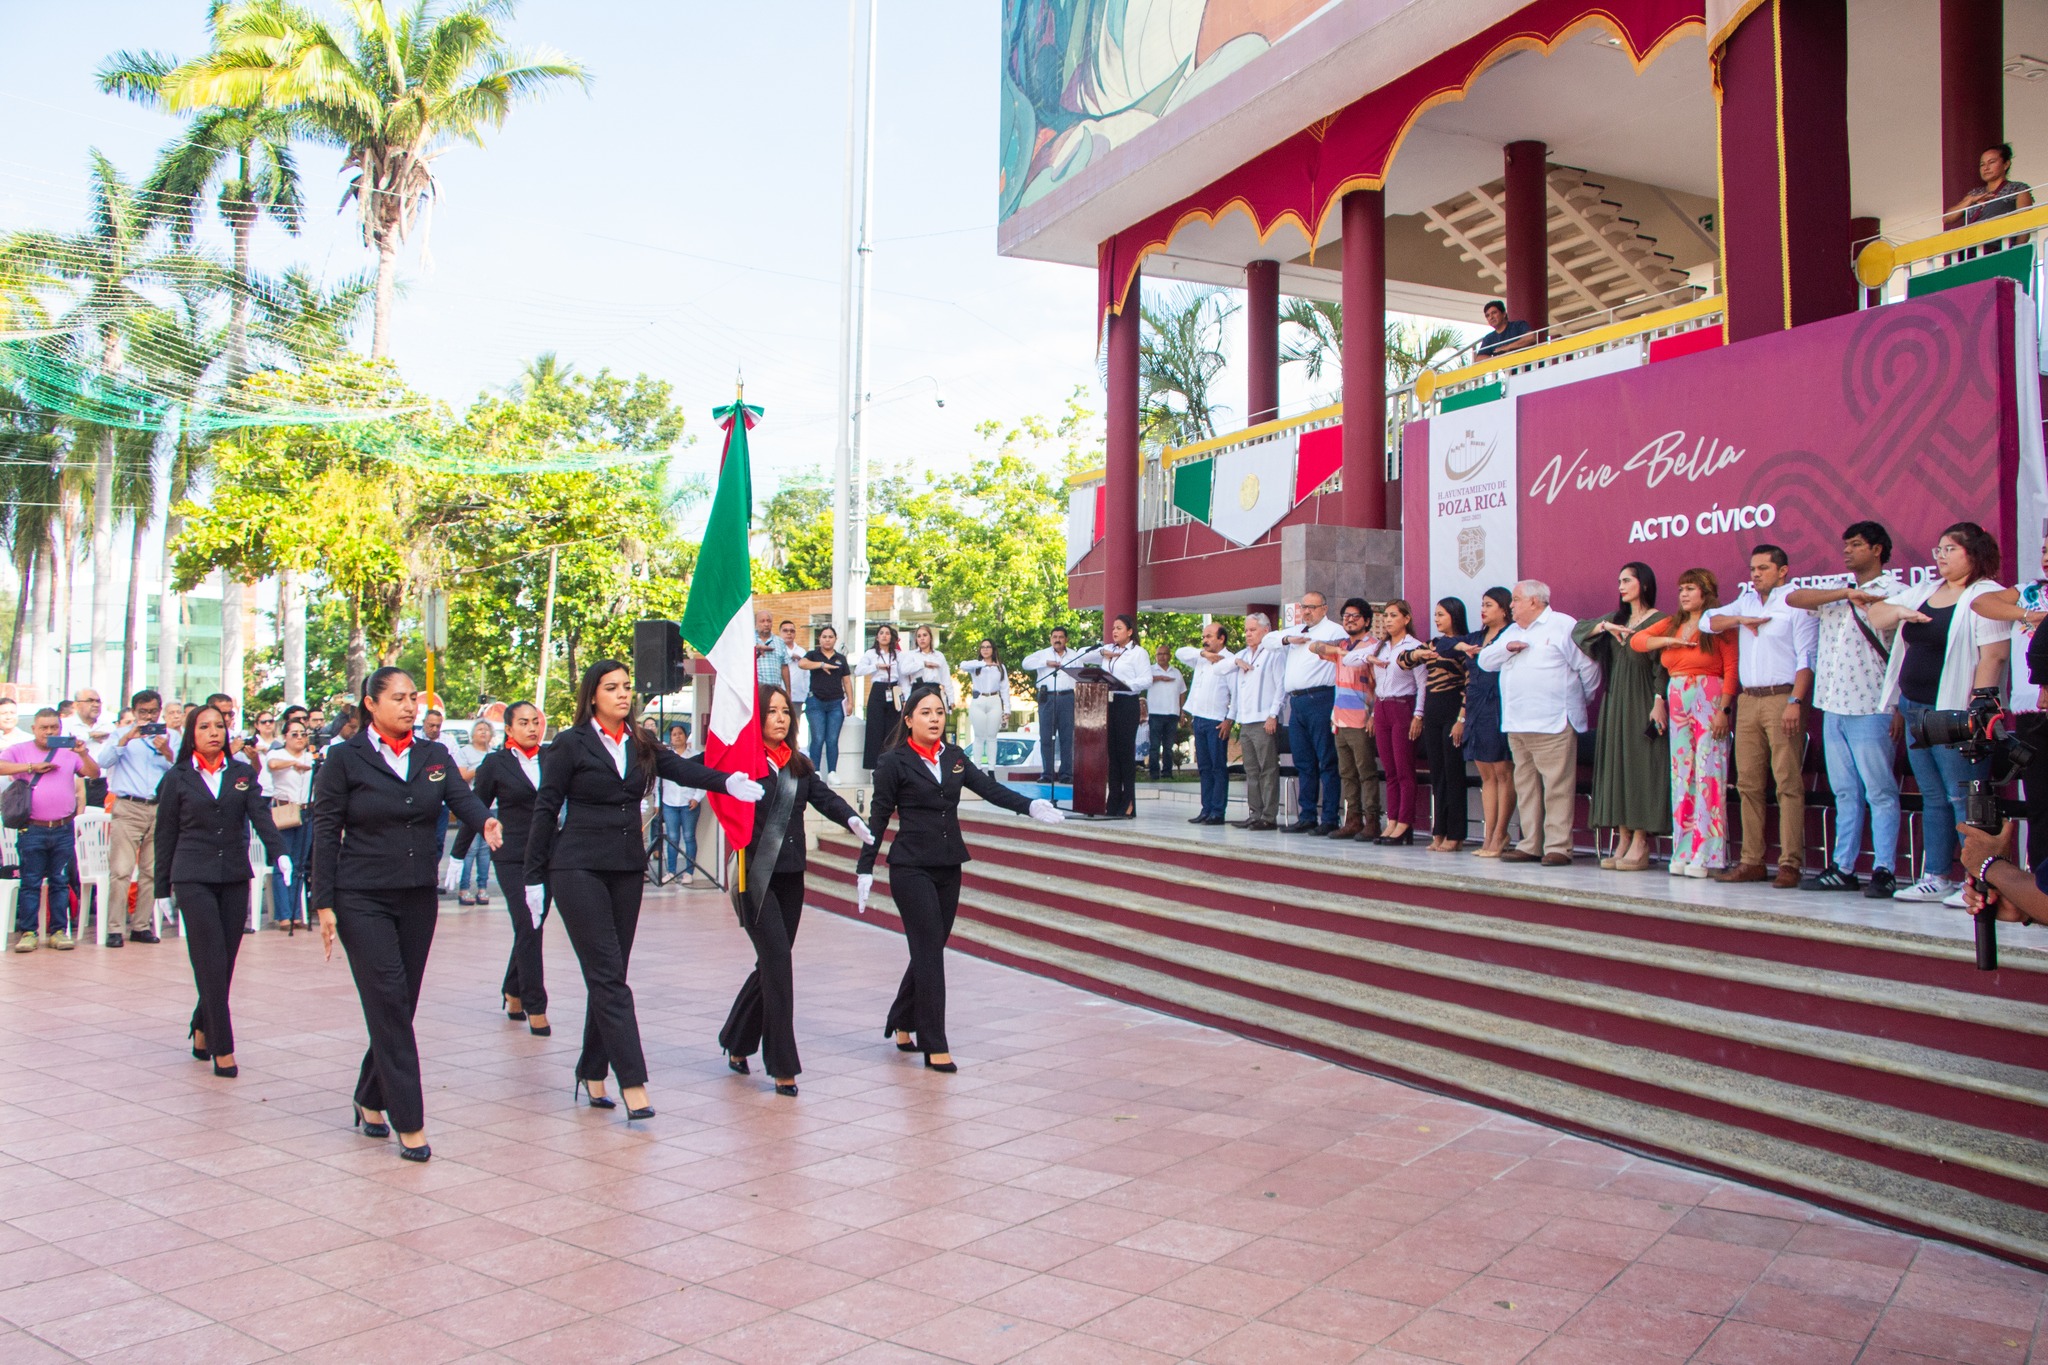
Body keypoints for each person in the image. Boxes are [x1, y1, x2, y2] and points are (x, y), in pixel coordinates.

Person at [526, 660, 763, 1121]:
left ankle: (591, 1071)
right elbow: (545, 808)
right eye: (611, 687)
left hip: (625, 867)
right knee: (608, 976)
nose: (622, 694)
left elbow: (682, 770)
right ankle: (633, 1082)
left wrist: (727, 782)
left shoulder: (640, 743)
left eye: (626, 686)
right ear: (592, 695)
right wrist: (534, 877)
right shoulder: (569, 744)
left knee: (610, 974)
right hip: (577, 867)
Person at [312, 668, 504, 1162]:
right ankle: (410, 1121)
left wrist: (485, 820)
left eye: (413, 697)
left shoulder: (433, 755)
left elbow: (462, 799)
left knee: (401, 1004)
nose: (408, 706)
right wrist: (324, 902)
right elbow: (326, 829)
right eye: (398, 698)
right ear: (370, 704)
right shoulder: (344, 758)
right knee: (389, 1002)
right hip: (361, 896)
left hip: (417, 895)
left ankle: (369, 1095)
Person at [854, 683, 1064, 1070]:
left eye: (939, 712)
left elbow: (989, 789)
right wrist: (865, 867)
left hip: (949, 866)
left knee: (929, 948)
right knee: (930, 954)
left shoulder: (953, 757)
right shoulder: (893, 762)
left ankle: (902, 1018)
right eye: (926, 713)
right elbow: (878, 818)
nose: (934, 719)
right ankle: (934, 1044)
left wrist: (1030, 806)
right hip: (910, 868)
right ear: (909, 719)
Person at [720, 685, 873, 1096]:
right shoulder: (744, 765)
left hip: (790, 876)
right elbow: (714, 777)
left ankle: (736, 1039)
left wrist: (852, 820)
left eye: (785, 711)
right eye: (771, 712)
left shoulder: (798, 764)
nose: (780, 718)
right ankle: (782, 1065)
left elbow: (825, 798)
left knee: (772, 963)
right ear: (758, 718)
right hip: (755, 876)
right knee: (779, 964)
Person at [1867, 522, 2012, 905]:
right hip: (1915, 707)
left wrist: (1978, 706)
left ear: (1974, 553)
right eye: (1939, 549)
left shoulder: (1987, 595)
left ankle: (1977, 880)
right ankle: (1936, 876)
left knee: (1963, 796)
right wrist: (1899, 610)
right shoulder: (1926, 591)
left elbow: (1994, 656)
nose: (1941, 556)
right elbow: (1876, 615)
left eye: (1950, 549)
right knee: (1932, 794)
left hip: (1956, 711)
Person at [156, 703, 285, 1077]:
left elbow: (260, 817)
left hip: (233, 874)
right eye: (204, 726)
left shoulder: (241, 773)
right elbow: (165, 834)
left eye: (218, 726)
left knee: (224, 961)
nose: (213, 732)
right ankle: (222, 1046)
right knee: (209, 959)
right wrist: (161, 888)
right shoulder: (178, 777)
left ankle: (201, 1025)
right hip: (192, 875)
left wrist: (280, 853)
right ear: (191, 734)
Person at [1787, 522, 1907, 897]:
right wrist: (1845, 593)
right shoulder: (1836, 591)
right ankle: (1844, 867)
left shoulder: (1895, 591)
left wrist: (1898, 706)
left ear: (1877, 549)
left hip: (1872, 706)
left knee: (1880, 791)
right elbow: (1794, 598)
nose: (1847, 551)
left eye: (1856, 544)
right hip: (1832, 706)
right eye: (1846, 545)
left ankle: (1884, 869)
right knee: (1844, 791)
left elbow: (1904, 652)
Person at [1704, 545, 1819, 887]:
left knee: (1787, 782)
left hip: (1783, 697)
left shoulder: (1795, 602)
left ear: (1782, 571)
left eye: (1763, 568)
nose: (1755, 574)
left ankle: (1790, 863)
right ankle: (1752, 860)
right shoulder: (1747, 602)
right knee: (1748, 784)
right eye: (1753, 568)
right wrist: (1741, 620)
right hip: (1749, 700)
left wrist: (1796, 701)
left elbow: (1806, 659)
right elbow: (1707, 621)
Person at [1478, 581, 1601, 865]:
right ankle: (1530, 844)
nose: (1511, 605)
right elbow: (1485, 661)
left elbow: (1589, 669)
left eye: (1516, 599)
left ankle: (1558, 847)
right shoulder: (1512, 631)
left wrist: (1575, 701)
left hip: (1553, 721)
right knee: (1526, 787)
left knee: (1557, 787)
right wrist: (1507, 649)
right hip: (1517, 722)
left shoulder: (1562, 625)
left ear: (1534, 601)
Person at [1632, 570, 1740, 877]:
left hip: (1709, 693)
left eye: (1690, 588)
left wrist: (1724, 709)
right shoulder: (1673, 623)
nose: (1683, 594)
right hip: (1677, 693)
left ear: (1706, 592)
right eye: (1681, 588)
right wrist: (1669, 640)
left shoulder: (1717, 623)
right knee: (1682, 773)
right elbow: (1638, 641)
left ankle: (1708, 854)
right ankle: (1684, 850)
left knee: (1709, 772)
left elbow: (1732, 669)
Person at [456, 701, 551, 1037]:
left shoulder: (551, 758)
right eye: (523, 723)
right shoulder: (495, 764)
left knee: (533, 926)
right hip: (511, 855)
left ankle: (513, 990)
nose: (531, 728)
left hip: (547, 855)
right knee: (527, 923)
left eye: (535, 722)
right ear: (509, 729)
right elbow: (476, 809)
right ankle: (535, 1005)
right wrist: (457, 854)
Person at [1573, 563, 1671, 872]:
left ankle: (1641, 839)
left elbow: (1662, 665)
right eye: (1619, 581)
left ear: (1644, 584)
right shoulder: (1616, 620)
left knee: (1642, 766)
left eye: (1627, 580)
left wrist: (1659, 700)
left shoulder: (1661, 620)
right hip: (1615, 701)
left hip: (1643, 699)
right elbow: (1578, 632)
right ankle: (1623, 837)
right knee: (1617, 767)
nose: (1621, 586)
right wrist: (1606, 627)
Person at [1969, 536, 2048, 871]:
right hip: (2033, 712)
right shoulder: (2030, 592)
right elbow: (1981, 603)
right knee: (2040, 800)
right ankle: (2040, 883)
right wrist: (2029, 615)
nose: (2046, 557)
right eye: (2044, 550)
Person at [2, 709, 101, 952]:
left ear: (60, 728)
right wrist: (31, 766)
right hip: (32, 829)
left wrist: (83, 753)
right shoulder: (19, 749)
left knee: (60, 881)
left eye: (53, 727)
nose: (49, 732)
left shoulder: (69, 752)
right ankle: (29, 932)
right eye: (44, 727)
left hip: (62, 828)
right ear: (34, 729)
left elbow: (94, 773)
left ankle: (58, 931)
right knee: (31, 882)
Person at [98, 688, 177, 947]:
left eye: (153, 711)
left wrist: (166, 751)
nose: (149, 717)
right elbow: (103, 761)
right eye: (143, 712)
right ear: (134, 711)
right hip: (128, 806)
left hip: (159, 807)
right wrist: (127, 738)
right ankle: (114, 929)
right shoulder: (121, 733)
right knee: (121, 870)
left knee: (151, 871)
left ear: (160, 711)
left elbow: (181, 769)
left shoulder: (172, 735)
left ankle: (141, 926)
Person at [1267, 591, 1348, 834]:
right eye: (1304, 607)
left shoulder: (1334, 631)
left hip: (1321, 698)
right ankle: (1307, 815)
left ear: (1324, 608)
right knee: (1303, 762)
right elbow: (1268, 640)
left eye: (1312, 607)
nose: (1307, 612)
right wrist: (1288, 639)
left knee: (1327, 760)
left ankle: (1330, 817)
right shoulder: (1296, 631)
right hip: (1297, 702)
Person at [1453, 588, 1516, 857]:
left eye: (1489, 605)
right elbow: (1442, 645)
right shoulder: (1476, 637)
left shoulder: (1511, 633)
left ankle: (1501, 833)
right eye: (1482, 605)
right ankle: (1489, 835)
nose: (1483, 609)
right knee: (1486, 774)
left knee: (1503, 771)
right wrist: (1461, 646)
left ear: (1504, 608)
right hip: (1476, 706)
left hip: (1498, 704)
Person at [1361, 600, 1426, 845]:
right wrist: (1374, 714)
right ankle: (1392, 820)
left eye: (1393, 615)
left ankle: (1405, 822)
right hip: (1382, 707)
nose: (1388, 620)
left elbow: (1422, 684)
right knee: (1389, 770)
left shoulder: (1414, 647)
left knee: (1403, 769)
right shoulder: (1381, 647)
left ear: (1406, 619)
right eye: (1386, 616)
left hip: (1403, 706)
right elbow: (1354, 661)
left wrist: (1418, 715)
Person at [1414, 598, 1472, 852]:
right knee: (1437, 773)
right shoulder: (1432, 644)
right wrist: (1418, 653)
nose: (1436, 619)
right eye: (1435, 614)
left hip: (1453, 711)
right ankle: (1439, 830)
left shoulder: (1465, 645)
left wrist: (1461, 719)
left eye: (1441, 615)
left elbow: (1470, 683)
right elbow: (1403, 661)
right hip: (1432, 712)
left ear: (1454, 616)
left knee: (1453, 773)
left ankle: (1456, 834)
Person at [1085, 614, 1152, 817]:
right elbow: (1082, 657)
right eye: (1113, 628)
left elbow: (1147, 679)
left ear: (1130, 631)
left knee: (1125, 754)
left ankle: (1128, 803)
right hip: (1108, 703)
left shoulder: (1138, 653)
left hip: (1126, 703)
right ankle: (1113, 801)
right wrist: (1102, 652)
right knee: (1112, 755)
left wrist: (1124, 684)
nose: (1114, 631)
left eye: (1119, 628)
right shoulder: (1108, 650)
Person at [1326, 599, 1381, 841]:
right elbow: (1314, 647)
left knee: (1366, 773)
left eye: (1355, 616)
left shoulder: (1374, 647)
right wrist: (1339, 651)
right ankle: (1353, 820)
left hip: (1362, 719)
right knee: (1347, 774)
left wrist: (1374, 715)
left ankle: (1372, 822)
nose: (1349, 620)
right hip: (1340, 720)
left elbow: (1381, 684)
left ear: (1367, 620)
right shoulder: (1341, 645)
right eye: (1346, 616)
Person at [1177, 621, 1238, 825]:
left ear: (1222, 638)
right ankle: (1206, 809)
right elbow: (1180, 653)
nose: (1205, 640)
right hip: (1199, 718)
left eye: (1209, 636)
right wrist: (1204, 654)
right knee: (1204, 767)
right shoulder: (1201, 658)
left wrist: (1230, 719)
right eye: (1204, 636)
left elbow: (1236, 693)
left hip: (1217, 721)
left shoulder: (1229, 661)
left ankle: (1217, 811)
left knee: (1217, 767)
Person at [1231, 613, 1288, 831]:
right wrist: (1235, 661)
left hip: (1264, 720)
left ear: (1266, 630)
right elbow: (1220, 666)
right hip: (1246, 720)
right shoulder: (1243, 654)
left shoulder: (1273, 653)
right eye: (1246, 630)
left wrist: (1273, 714)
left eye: (1253, 630)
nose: (1248, 634)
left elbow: (1281, 685)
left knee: (1268, 769)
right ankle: (1254, 813)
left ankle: (1268, 816)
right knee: (1251, 770)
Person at [266, 718, 316, 928]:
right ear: (285, 736)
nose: (299, 738)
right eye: (294, 734)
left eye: (303, 734)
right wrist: (294, 764)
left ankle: (296, 914)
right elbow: (272, 765)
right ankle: (284, 915)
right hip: (285, 810)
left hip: (306, 810)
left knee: (299, 865)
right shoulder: (277, 753)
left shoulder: (311, 756)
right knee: (282, 862)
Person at [1022, 627, 1079, 783]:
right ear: (1050, 639)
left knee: (1067, 737)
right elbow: (1025, 663)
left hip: (1067, 697)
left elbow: (1079, 675)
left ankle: (1066, 774)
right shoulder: (1043, 654)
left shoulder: (1074, 655)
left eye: (1060, 637)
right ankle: (1047, 774)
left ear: (1066, 639)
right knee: (1046, 737)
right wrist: (1046, 663)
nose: (1057, 640)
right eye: (1054, 637)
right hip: (1047, 698)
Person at [450, 720, 495, 907]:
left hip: (492, 807)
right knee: (469, 848)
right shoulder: (465, 753)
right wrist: (483, 768)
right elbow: (462, 777)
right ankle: (464, 888)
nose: (483, 732)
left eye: (487, 729)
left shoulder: (494, 754)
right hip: (470, 807)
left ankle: (482, 887)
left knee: (485, 850)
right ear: (472, 734)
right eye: (480, 729)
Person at [654, 722, 704, 884]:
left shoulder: (695, 755)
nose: (677, 737)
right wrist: (657, 802)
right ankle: (671, 871)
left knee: (689, 837)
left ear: (686, 736)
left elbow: (703, 778)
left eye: (680, 733)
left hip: (689, 803)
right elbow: (658, 782)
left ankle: (689, 872)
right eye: (674, 734)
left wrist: (697, 798)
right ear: (670, 738)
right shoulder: (666, 757)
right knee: (672, 838)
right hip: (669, 803)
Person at [798, 626, 852, 774]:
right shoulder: (813, 654)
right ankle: (815, 771)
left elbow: (847, 681)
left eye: (830, 637)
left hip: (836, 703)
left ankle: (832, 772)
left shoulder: (841, 658)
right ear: (819, 639)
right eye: (824, 637)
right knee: (817, 738)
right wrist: (821, 665)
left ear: (835, 639)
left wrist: (850, 702)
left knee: (832, 739)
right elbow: (801, 664)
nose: (827, 640)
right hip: (816, 701)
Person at [855, 623, 908, 770]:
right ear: (877, 637)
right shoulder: (871, 653)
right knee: (875, 729)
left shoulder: (898, 654)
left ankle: (892, 766)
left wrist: (904, 697)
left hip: (894, 690)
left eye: (887, 633)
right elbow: (858, 671)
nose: (884, 636)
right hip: (878, 689)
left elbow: (903, 677)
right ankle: (874, 767)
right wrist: (876, 666)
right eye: (881, 633)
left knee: (893, 729)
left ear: (891, 637)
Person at [1946, 142, 2034, 229]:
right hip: (1974, 237)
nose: (1986, 168)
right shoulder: (1975, 193)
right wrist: (1970, 200)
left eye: (1991, 162)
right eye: (1982, 164)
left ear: (2006, 164)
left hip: (2002, 237)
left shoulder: (2017, 189)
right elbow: (1947, 218)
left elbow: (2024, 224)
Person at [959, 639, 1010, 766]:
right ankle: (977, 767)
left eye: (988, 647)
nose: (985, 649)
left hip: (994, 699)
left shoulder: (1000, 667)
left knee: (992, 736)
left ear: (993, 649)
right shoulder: (976, 666)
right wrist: (983, 664)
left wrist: (1007, 709)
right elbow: (963, 665)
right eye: (983, 647)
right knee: (979, 736)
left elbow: (1005, 688)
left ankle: (992, 768)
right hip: (979, 700)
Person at [1144, 643, 1186, 780]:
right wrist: (1159, 678)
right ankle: (1154, 773)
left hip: (1172, 713)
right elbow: (1142, 682)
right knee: (1154, 746)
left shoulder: (1176, 672)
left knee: (1168, 747)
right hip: (1155, 713)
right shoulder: (1150, 670)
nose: (1162, 657)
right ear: (1155, 656)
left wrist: (1182, 712)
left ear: (1170, 656)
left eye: (1165, 654)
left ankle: (1167, 772)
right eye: (1159, 654)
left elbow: (1182, 692)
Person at [779, 619, 811, 751]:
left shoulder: (802, 652)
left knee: (795, 728)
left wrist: (806, 693)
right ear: (780, 632)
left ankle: (793, 753)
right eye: (785, 631)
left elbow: (807, 675)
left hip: (798, 696)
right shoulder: (777, 650)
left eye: (792, 631)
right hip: (780, 695)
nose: (789, 633)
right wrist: (789, 656)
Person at [754, 609, 793, 691]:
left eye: (769, 621)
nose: (766, 624)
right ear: (755, 624)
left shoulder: (779, 641)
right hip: (755, 689)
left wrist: (788, 691)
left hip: (775, 689)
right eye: (762, 621)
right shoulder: (748, 640)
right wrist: (757, 647)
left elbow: (784, 667)